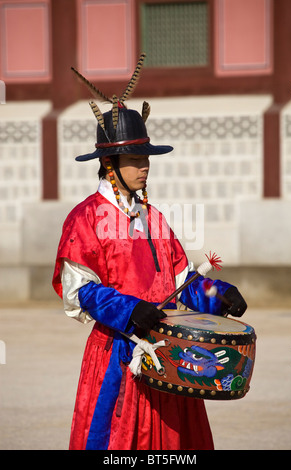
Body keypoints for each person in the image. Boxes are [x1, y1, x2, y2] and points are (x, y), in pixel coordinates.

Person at [52, 55, 247, 451]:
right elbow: (78, 291)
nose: (145, 168)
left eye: (146, 159)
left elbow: (181, 282)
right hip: (119, 355)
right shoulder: (85, 218)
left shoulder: (154, 216)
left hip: (169, 352)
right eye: (135, 159)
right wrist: (128, 309)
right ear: (110, 164)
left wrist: (216, 293)